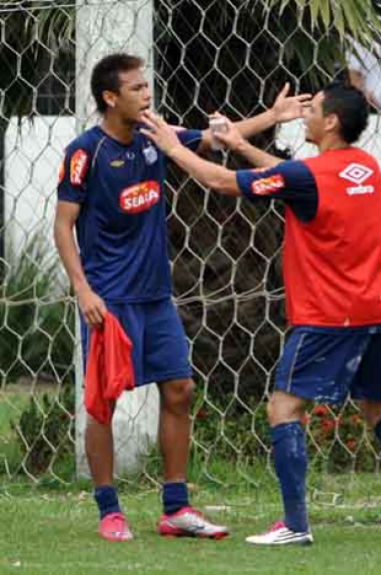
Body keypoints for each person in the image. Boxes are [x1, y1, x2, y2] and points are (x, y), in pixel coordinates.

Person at [139, 82, 381, 546]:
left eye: (313, 110)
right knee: (380, 408)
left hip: (330, 313)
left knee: (284, 408)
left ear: (331, 123)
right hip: (380, 308)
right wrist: (241, 144)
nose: (305, 117)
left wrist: (169, 148)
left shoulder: (309, 177)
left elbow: (222, 182)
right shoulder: (364, 167)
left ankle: (295, 525)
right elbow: (294, 176)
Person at [53, 52, 310, 542]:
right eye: (136, 88)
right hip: (109, 299)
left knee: (179, 391)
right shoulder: (85, 152)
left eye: (147, 86)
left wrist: (272, 119)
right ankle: (109, 509)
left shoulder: (156, 136)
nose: (147, 95)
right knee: (103, 404)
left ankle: (176, 507)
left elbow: (216, 137)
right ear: (110, 98)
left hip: (156, 296)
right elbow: (63, 227)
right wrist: (83, 290)